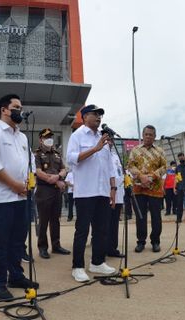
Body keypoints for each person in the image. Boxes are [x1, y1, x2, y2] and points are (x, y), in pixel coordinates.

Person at [0, 94, 38, 299]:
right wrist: (14, 185)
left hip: (21, 198)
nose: (20, 110)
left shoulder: (21, 137)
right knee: (0, 242)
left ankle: (16, 276)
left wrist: (30, 185)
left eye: (21, 107)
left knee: (17, 241)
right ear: (4, 109)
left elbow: (31, 164)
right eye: (16, 107)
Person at [66, 104, 117, 283]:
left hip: (102, 191)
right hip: (85, 192)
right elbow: (71, 158)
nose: (98, 118)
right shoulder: (77, 136)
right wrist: (95, 148)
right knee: (82, 231)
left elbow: (109, 166)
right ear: (85, 116)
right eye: (95, 114)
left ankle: (97, 262)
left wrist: (113, 189)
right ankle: (77, 267)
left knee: (101, 230)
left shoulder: (103, 139)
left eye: (100, 115)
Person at [128, 125, 167, 252]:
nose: (148, 136)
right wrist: (141, 176)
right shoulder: (135, 150)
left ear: (155, 136)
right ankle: (141, 241)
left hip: (155, 188)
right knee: (140, 216)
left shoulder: (160, 151)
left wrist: (151, 176)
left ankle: (155, 241)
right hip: (139, 188)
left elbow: (164, 167)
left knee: (156, 216)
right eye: (146, 134)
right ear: (142, 135)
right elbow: (130, 166)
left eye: (151, 134)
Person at [34, 128, 70, 259]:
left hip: (56, 191)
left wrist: (58, 176)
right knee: (43, 220)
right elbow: (38, 172)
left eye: (51, 137)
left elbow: (64, 169)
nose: (49, 139)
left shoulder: (57, 154)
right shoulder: (37, 154)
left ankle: (56, 245)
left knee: (56, 219)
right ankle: (43, 247)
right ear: (40, 140)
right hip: (44, 190)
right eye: (46, 137)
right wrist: (54, 179)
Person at [106, 141, 125, 258]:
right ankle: (103, 249)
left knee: (114, 223)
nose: (109, 142)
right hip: (107, 192)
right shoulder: (100, 154)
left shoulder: (115, 155)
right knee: (105, 223)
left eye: (111, 140)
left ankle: (113, 248)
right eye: (107, 139)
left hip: (118, 194)